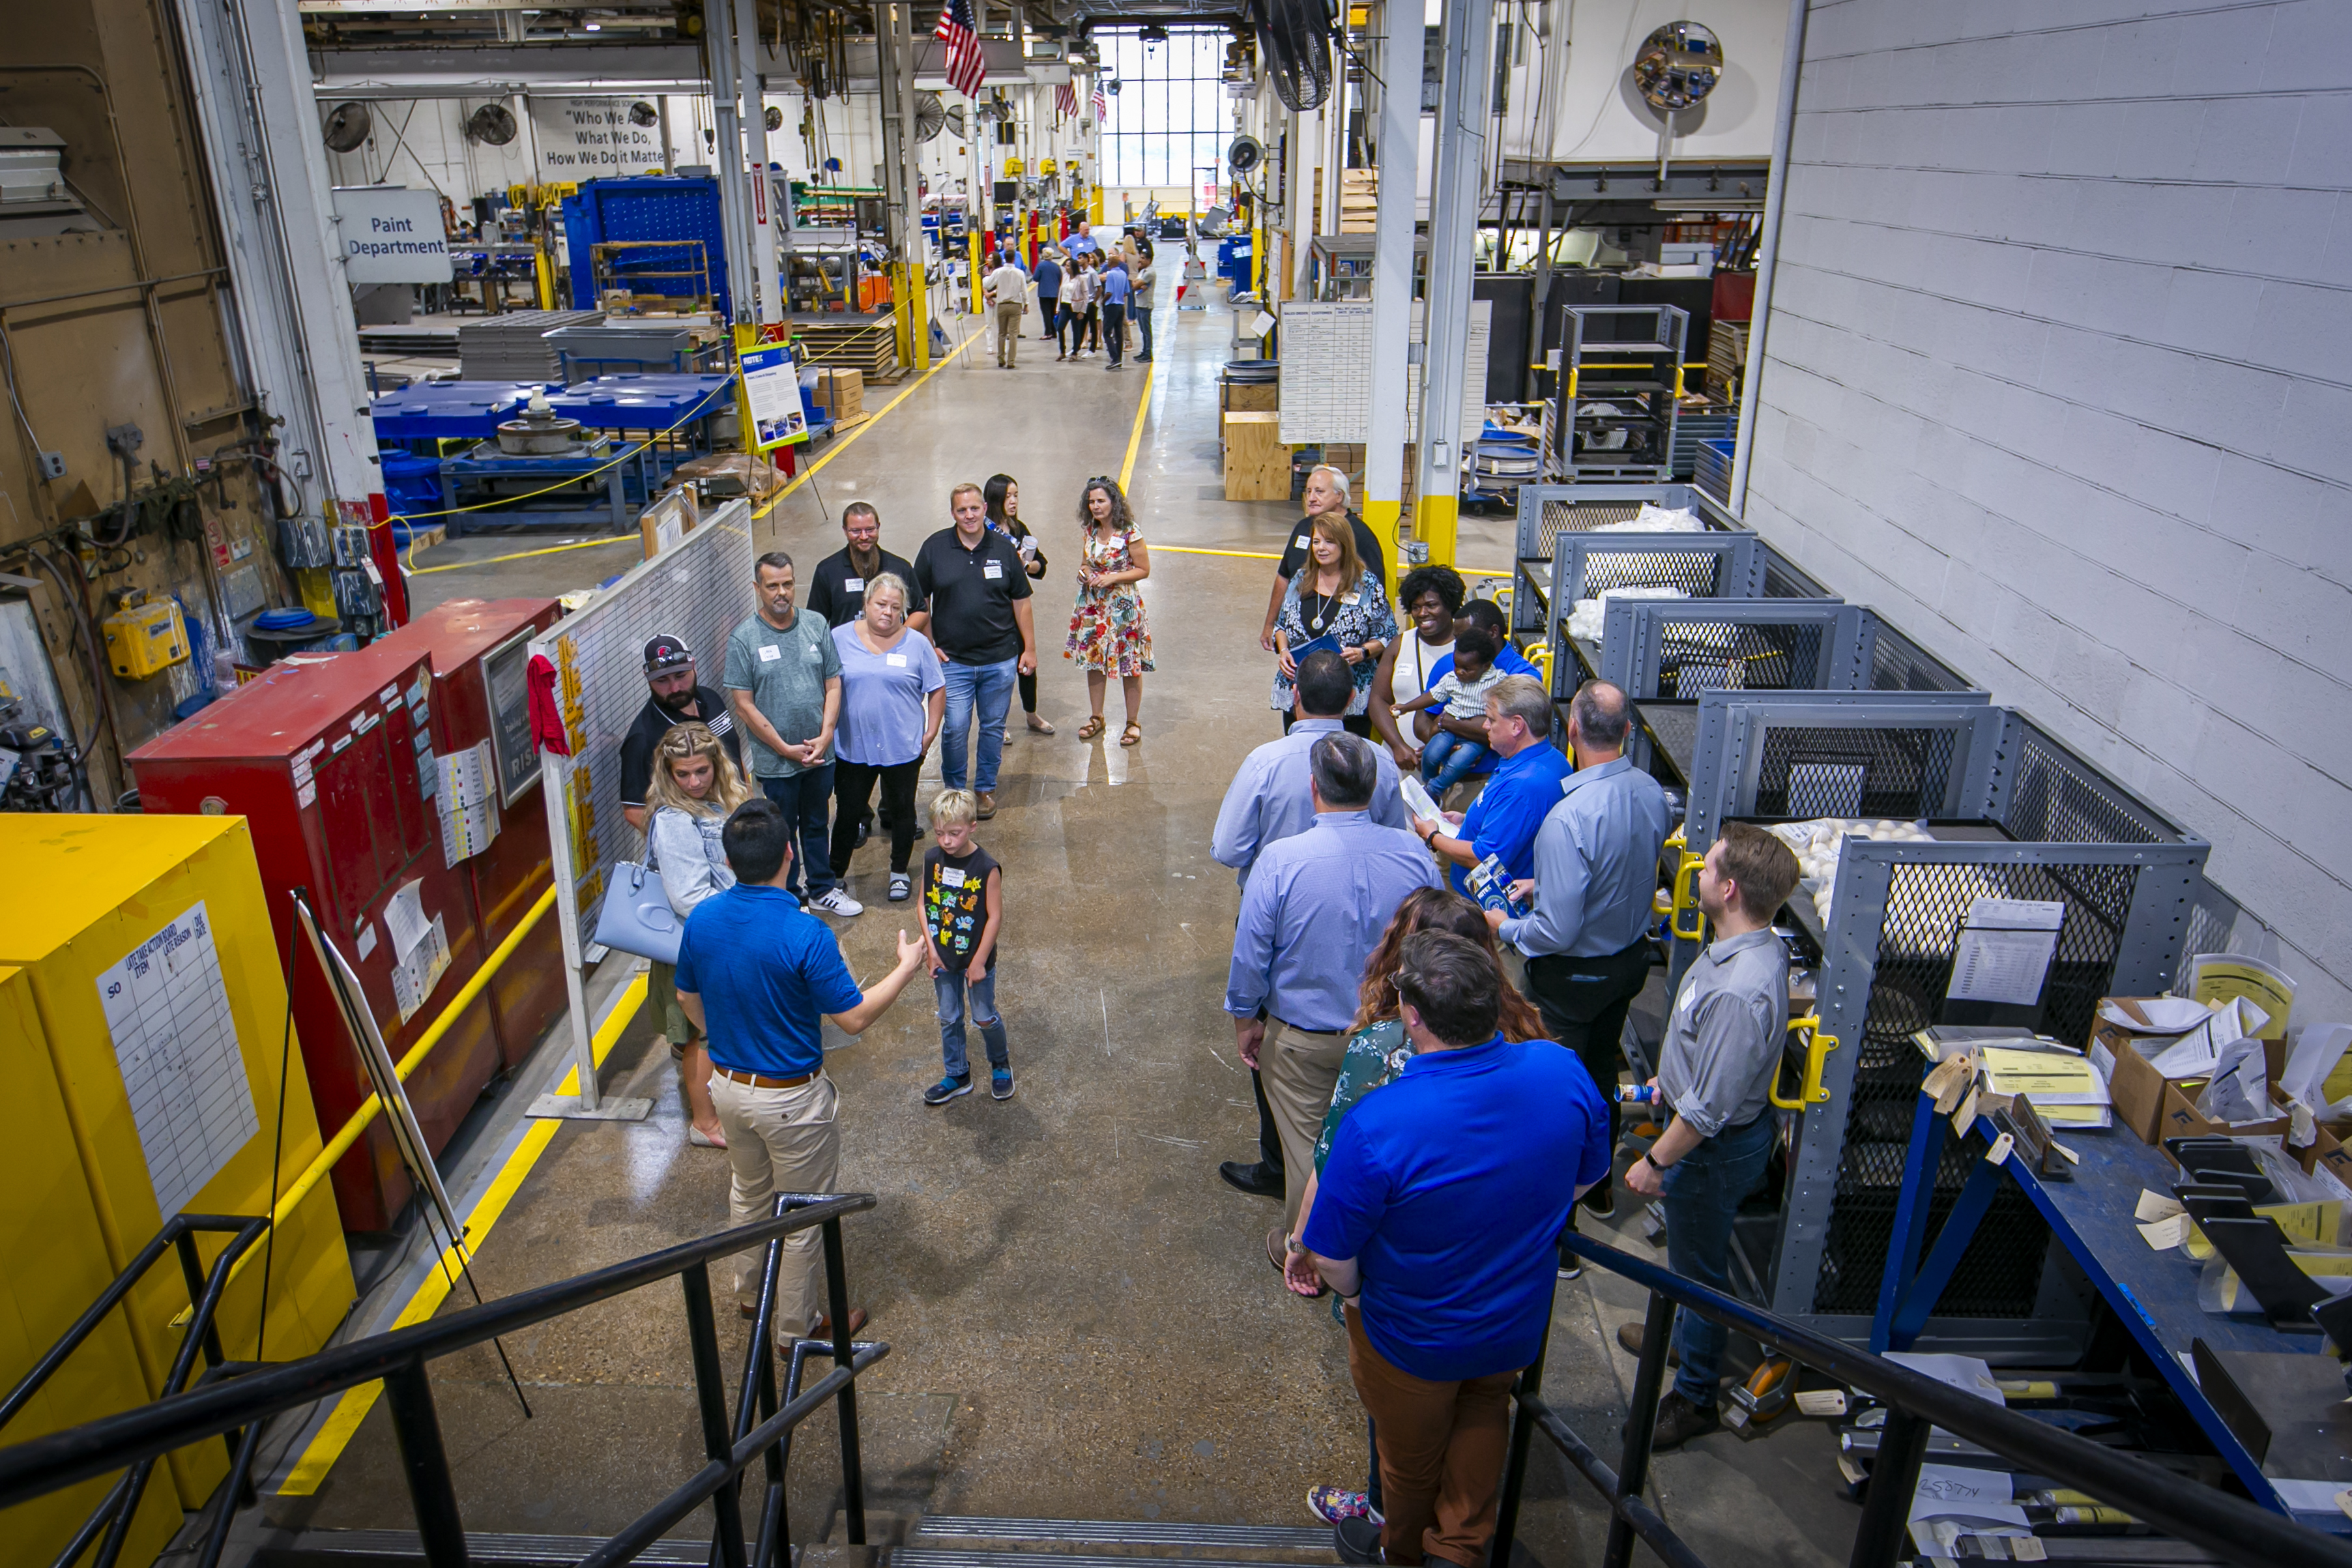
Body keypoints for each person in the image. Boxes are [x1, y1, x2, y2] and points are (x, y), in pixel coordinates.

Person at [1299, 929, 1609, 1568]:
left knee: (1408, 1463)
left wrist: (1356, 1297)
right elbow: (1588, 1174)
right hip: (1512, 1322)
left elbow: (1330, 1255)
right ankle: (1460, 1548)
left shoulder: (1379, 1125)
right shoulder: (1561, 1070)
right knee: (1485, 1412)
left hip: (1412, 1338)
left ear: (1412, 1016)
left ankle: (1402, 1552)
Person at [673, 798, 929, 1341]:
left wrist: (726, 1035)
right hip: (790, 1099)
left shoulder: (703, 920)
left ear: (729, 860)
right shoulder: (805, 932)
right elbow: (853, 1017)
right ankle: (796, 1329)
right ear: (788, 854)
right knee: (802, 1216)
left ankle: (751, 1295)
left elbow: (686, 998)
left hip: (728, 1089)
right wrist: (906, 968)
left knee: (748, 1191)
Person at [1618, 824, 1801, 1449]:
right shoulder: (1745, 945)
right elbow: (1710, 1066)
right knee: (1691, 1260)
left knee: (1697, 1275)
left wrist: (1654, 1162)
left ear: (1728, 890)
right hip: (1713, 1134)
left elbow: (1707, 1110)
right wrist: (1666, 1083)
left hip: (1710, 1153)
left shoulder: (1738, 990)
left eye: (1709, 865)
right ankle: (1685, 1339)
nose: (1696, 869)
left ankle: (1694, 1394)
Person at [1210, 649, 1409, 1206]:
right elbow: (1396, 837)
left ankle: (1282, 1167)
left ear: (1294, 695)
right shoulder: (1376, 760)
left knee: (1275, 1043)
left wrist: (1243, 1013)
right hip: (1370, 928)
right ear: (1352, 699)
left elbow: (1227, 848)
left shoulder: (1265, 762)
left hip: (1281, 917)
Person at [1225, 734, 1440, 1238]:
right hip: (1392, 1034)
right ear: (1373, 787)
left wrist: (1244, 1018)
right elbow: (1437, 941)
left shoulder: (1278, 861)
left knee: (1307, 1150)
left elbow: (1251, 952)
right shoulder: (1414, 855)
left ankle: (1310, 1252)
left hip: (1302, 1039)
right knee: (1384, 1145)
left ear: (1313, 787)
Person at [1490, 679, 1673, 1223]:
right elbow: (1617, 871)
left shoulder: (1566, 819)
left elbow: (1555, 933)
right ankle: (1599, 1189)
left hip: (1570, 982)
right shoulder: (1650, 793)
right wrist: (1545, 883)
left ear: (1571, 729)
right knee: (1599, 1076)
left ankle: (1558, 1227)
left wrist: (1506, 928)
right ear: (1627, 731)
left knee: (1550, 1096)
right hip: (1627, 966)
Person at [726, 553, 862, 918]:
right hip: (776, 762)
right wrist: (783, 748)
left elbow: (833, 684)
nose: (782, 592)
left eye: (787, 583)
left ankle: (822, 889)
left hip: (819, 755)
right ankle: (787, 898)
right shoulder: (744, 639)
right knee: (782, 831)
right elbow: (744, 705)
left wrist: (826, 735)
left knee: (817, 823)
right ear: (757, 588)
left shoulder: (816, 624)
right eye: (772, 586)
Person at [645, 722, 752, 1151]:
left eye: (701, 771)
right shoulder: (673, 819)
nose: (693, 782)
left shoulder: (722, 800)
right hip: (700, 944)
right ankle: (705, 1124)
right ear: (667, 773)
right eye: (683, 774)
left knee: (715, 1032)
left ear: (716, 765)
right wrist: (747, 915)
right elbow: (690, 897)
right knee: (703, 1036)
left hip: (721, 935)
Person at [908, 482, 1038, 821]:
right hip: (953, 661)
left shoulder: (1003, 548)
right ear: (953, 513)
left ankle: (984, 789)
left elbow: (1021, 601)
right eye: (962, 510)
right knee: (954, 728)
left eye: (975, 508)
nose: (969, 515)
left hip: (1000, 659)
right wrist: (929, 644)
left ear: (984, 509)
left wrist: (1029, 649)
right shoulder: (935, 548)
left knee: (993, 727)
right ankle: (955, 792)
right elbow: (920, 601)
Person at [1408, 675, 1571, 920]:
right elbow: (1515, 823)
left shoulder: (1524, 785)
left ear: (1517, 726)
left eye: (1492, 720)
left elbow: (1482, 857)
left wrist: (1433, 836)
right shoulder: (1548, 758)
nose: (1485, 726)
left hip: (1491, 914)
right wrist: (1468, 820)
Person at [828, 573, 944, 905]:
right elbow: (825, 685)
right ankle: (835, 875)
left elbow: (937, 688)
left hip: (902, 746)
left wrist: (930, 732)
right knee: (848, 813)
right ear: (866, 604)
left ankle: (899, 872)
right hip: (853, 746)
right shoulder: (838, 638)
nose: (888, 613)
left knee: (902, 811)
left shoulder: (917, 644)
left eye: (896, 607)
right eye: (881, 604)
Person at [918, 789, 1015, 1105]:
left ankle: (1000, 1063)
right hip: (943, 957)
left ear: (973, 826)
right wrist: (931, 950)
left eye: (954, 833)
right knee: (949, 1016)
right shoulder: (931, 859)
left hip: (976, 959)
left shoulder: (987, 867)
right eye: (939, 833)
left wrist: (979, 961)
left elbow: (994, 917)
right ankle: (957, 1073)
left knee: (984, 1016)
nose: (946, 841)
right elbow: (923, 905)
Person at [1271, 511, 1397, 738]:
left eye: (1329, 542)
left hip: (1349, 693)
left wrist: (1363, 652)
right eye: (1316, 542)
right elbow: (1280, 626)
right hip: (1302, 691)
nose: (1321, 548)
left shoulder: (1366, 584)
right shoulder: (1301, 579)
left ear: (1344, 544)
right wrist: (1284, 651)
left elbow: (1388, 635)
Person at [620, 633, 742, 834]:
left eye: (680, 676)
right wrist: (684, 841)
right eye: (662, 680)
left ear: (693, 665)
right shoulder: (643, 738)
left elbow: (734, 758)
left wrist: (745, 804)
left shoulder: (711, 699)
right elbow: (634, 811)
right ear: (647, 679)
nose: (675, 688)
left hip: (735, 822)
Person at [1064, 476, 1152, 744]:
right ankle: (1097, 717)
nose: (1095, 506)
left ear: (1114, 502)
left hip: (1123, 609)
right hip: (1094, 607)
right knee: (1094, 661)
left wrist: (1112, 578)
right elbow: (1085, 563)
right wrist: (1084, 574)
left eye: (1101, 501)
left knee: (1129, 664)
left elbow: (1143, 569)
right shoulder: (1090, 530)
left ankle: (1132, 722)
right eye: (1091, 502)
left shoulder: (1130, 532)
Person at [1262, 467, 1387, 654]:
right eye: (1308, 491)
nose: (1311, 498)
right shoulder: (1303, 527)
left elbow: (1376, 598)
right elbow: (1284, 576)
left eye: (1319, 491)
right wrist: (1270, 625)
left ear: (1339, 496)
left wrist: (1364, 651)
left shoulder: (1361, 536)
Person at [1370, 565, 1467, 770]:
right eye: (1416, 607)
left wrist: (1443, 749)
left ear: (1450, 604)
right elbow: (1378, 700)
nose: (1423, 613)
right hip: (1399, 761)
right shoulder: (1399, 644)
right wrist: (1398, 746)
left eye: (1432, 605)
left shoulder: (1468, 648)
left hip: (1450, 764)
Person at [1391, 624, 1507, 794]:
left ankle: (1434, 790)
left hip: (1473, 738)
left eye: (1467, 669)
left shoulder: (1498, 681)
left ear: (1486, 666)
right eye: (1456, 665)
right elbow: (1432, 696)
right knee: (1431, 755)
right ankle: (1428, 783)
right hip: (1448, 731)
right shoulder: (1452, 678)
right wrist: (1405, 707)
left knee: (1458, 763)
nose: (1460, 672)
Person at [984, 474, 1054, 736]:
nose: (1013, 501)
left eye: (1016, 496)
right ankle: (997, 722)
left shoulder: (1017, 529)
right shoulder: (983, 531)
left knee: (1027, 663)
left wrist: (1026, 564)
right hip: (992, 609)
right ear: (995, 499)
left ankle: (1031, 715)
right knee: (997, 671)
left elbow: (1040, 566)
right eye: (1008, 497)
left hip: (1017, 606)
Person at [806, 502, 925, 631]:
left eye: (870, 530)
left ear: (878, 527)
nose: (864, 537)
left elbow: (920, 611)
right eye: (856, 531)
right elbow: (815, 622)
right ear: (845, 530)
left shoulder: (900, 568)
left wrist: (897, 635)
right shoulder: (827, 571)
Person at [983, 250, 1029, 369]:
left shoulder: (998, 272)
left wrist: (986, 276)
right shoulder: (1019, 273)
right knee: (1013, 334)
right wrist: (1026, 304)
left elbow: (987, 285)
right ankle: (1011, 361)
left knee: (1002, 333)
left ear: (1005, 259)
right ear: (1014, 259)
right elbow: (1024, 290)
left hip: (1002, 305)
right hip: (1016, 305)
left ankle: (1000, 359)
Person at [1057, 255, 1095, 361]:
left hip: (1075, 307)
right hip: (1064, 306)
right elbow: (1061, 292)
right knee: (1060, 328)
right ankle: (1062, 351)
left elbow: (1086, 296)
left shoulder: (1081, 278)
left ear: (1073, 267)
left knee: (1076, 330)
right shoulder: (1065, 276)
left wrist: (1082, 311)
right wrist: (1058, 307)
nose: (1066, 267)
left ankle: (1075, 352)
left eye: (1068, 266)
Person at [1099, 252, 1131, 370]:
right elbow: (1127, 291)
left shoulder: (1111, 275)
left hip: (1111, 305)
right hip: (1120, 305)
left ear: (1111, 263)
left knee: (1107, 333)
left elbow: (1109, 292)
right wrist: (1120, 296)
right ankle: (1119, 358)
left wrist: (1103, 301)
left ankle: (1115, 358)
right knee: (1119, 333)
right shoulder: (1123, 274)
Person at [1131, 239, 1156, 364]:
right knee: (1143, 330)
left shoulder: (1150, 273)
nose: (1140, 260)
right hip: (1140, 303)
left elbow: (1135, 286)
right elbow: (1135, 283)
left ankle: (1148, 353)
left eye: (1143, 258)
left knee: (1146, 331)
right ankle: (1144, 351)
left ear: (1149, 260)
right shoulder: (1142, 271)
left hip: (1146, 305)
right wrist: (1137, 284)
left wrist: (1137, 284)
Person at [1034, 248, 1064, 341]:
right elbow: (1060, 278)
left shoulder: (1040, 266)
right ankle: (1054, 332)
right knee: (1053, 313)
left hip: (1044, 293)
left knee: (1046, 313)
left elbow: (1036, 278)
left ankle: (1048, 333)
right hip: (1055, 293)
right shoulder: (1056, 266)